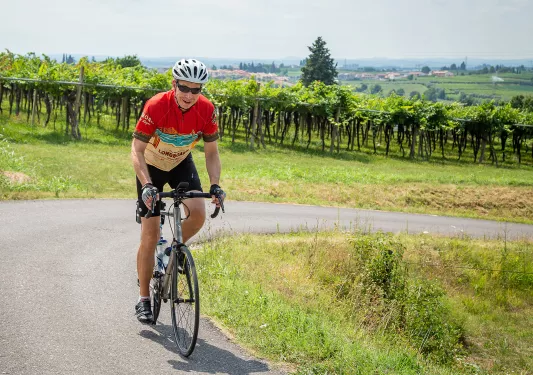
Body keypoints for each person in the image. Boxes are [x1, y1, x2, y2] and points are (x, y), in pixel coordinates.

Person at [131, 58, 225, 324]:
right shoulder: (157, 105)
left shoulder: (206, 110)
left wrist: (215, 184)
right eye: (184, 88)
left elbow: (212, 152)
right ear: (174, 84)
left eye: (196, 90)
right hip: (151, 166)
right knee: (149, 235)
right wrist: (147, 184)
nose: (189, 95)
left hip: (181, 162)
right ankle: (144, 299)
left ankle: (173, 253)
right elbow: (136, 150)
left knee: (197, 215)